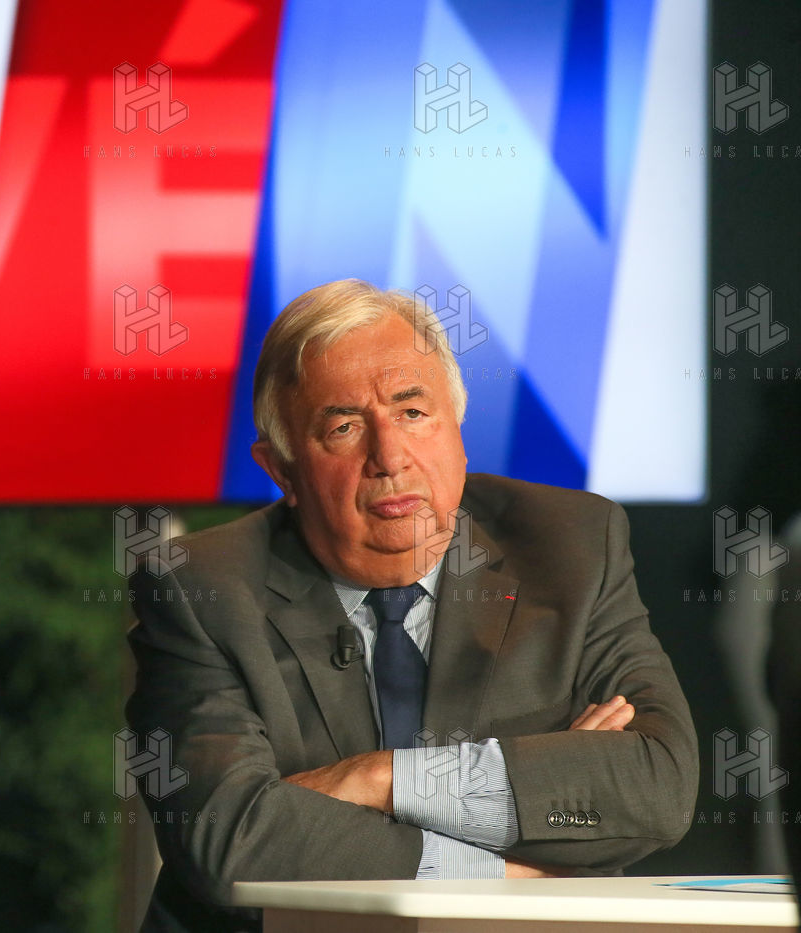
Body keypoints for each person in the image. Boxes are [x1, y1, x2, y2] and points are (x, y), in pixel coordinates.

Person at [125, 280, 698, 932]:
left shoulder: (571, 547)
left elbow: (657, 788)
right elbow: (228, 840)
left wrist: (379, 780)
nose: (390, 457)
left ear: (457, 428)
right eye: (344, 427)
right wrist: (504, 873)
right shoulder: (199, 588)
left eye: (413, 412)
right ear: (281, 469)